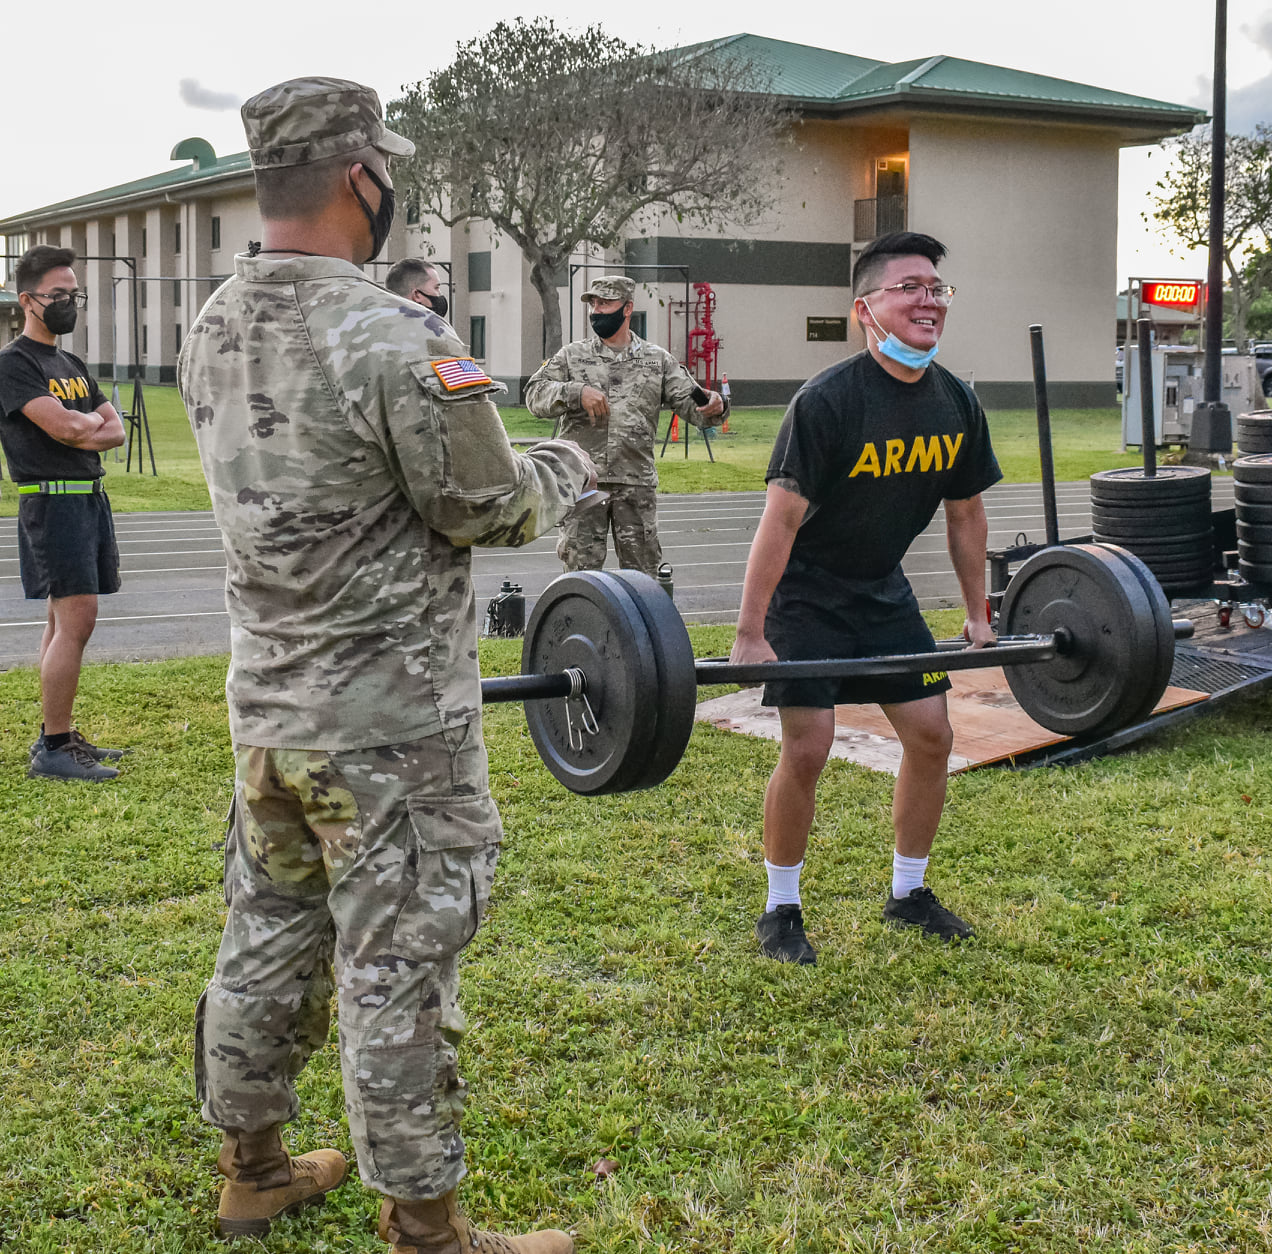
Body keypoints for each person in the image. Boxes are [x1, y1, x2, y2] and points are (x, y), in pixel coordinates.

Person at [179, 77, 596, 1254]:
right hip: (389, 728)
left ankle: (252, 1167)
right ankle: (429, 1229)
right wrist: (562, 462)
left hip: (269, 710)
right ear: (363, 177)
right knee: (398, 962)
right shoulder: (394, 332)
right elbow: (485, 506)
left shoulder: (212, 321)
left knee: (267, 932)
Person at [729, 231, 1002, 964]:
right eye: (908, 286)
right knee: (809, 748)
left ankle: (907, 893)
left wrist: (978, 616)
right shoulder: (826, 402)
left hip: (882, 592)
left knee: (931, 736)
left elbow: (966, 513)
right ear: (865, 309)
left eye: (936, 288)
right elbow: (779, 521)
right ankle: (780, 909)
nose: (927, 300)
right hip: (808, 596)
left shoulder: (955, 402)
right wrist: (751, 632)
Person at [0, 244, 127, 782]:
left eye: (75, 294)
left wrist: (86, 429)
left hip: (86, 498)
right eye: (59, 295)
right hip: (52, 502)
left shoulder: (70, 363)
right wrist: (85, 429)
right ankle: (54, 747)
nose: (70, 303)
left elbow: (116, 430)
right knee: (76, 620)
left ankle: (59, 734)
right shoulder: (14, 364)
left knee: (62, 623)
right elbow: (71, 428)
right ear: (28, 300)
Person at [524, 275, 725, 573]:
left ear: (627, 308)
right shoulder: (572, 356)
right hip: (584, 484)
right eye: (594, 303)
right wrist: (574, 392)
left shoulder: (657, 361)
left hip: (635, 485)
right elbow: (534, 394)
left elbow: (694, 407)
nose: (597, 310)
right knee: (581, 577)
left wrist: (714, 406)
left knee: (643, 577)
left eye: (605, 303)